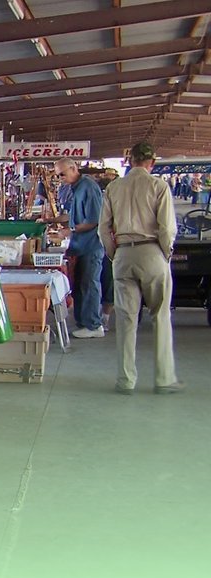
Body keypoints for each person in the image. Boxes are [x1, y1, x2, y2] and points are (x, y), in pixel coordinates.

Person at [98, 142, 182, 395]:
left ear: (129, 161)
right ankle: (164, 379)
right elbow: (167, 228)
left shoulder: (114, 187)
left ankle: (125, 380)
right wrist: (165, 254)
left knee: (126, 320)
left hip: (124, 254)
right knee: (161, 316)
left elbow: (104, 229)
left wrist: (114, 254)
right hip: (152, 252)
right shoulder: (159, 186)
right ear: (151, 163)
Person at [47, 158, 105, 337]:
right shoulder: (76, 188)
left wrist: (68, 231)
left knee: (89, 284)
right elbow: (73, 216)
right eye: (58, 175)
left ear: (73, 168)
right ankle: (83, 322)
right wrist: (50, 220)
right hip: (79, 246)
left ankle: (94, 326)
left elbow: (93, 220)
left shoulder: (89, 187)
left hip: (90, 245)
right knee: (79, 285)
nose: (60, 178)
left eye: (62, 174)